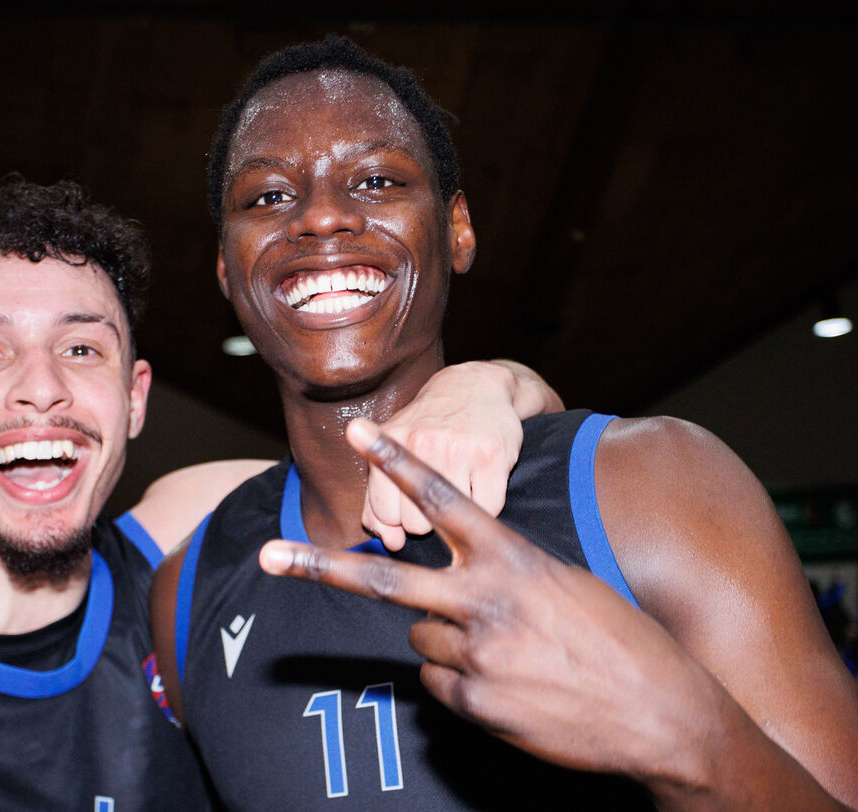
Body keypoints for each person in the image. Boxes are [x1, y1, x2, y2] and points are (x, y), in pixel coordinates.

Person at [0, 176, 558, 810]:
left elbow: (478, 459)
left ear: (133, 399)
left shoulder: (197, 534)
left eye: (82, 347)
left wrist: (489, 385)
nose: (40, 387)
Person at [151, 35, 858, 810]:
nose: (321, 216)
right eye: (268, 197)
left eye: (377, 180)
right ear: (226, 266)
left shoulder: (653, 487)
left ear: (457, 231)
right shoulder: (187, 591)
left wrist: (688, 738)